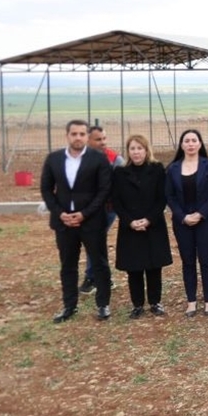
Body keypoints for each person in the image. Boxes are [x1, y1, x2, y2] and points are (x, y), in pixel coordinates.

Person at [40, 119, 114, 322]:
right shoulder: (54, 159)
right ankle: (69, 306)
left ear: (87, 136)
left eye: (82, 134)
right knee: (68, 265)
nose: (78, 138)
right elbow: (46, 189)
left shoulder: (98, 159)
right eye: (74, 134)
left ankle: (103, 304)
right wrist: (60, 213)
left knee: (99, 263)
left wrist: (84, 213)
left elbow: (104, 190)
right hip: (64, 223)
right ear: (67, 136)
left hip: (92, 221)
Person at [111, 134, 172, 319]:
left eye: (140, 148)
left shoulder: (157, 169)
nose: (136, 152)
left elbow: (162, 198)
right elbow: (116, 201)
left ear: (146, 150)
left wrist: (149, 219)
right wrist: (130, 221)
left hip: (153, 225)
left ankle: (155, 302)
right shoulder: (120, 173)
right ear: (128, 151)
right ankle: (137, 305)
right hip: (130, 227)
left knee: (154, 267)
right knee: (134, 268)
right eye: (133, 148)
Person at [166, 129, 208, 317]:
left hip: (205, 220)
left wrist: (200, 214)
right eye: (187, 141)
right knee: (188, 261)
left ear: (200, 144)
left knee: (206, 260)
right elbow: (170, 196)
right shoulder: (173, 168)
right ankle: (191, 301)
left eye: (194, 140)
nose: (190, 144)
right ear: (181, 145)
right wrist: (183, 216)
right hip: (182, 222)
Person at [80, 124, 122, 294]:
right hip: (87, 209)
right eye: (98, 139)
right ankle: (102, 277)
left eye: (104, 138)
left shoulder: (115, 159)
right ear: (88, 140)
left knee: (94, 240)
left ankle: (94, 277)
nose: (103, 142)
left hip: (107, 209)